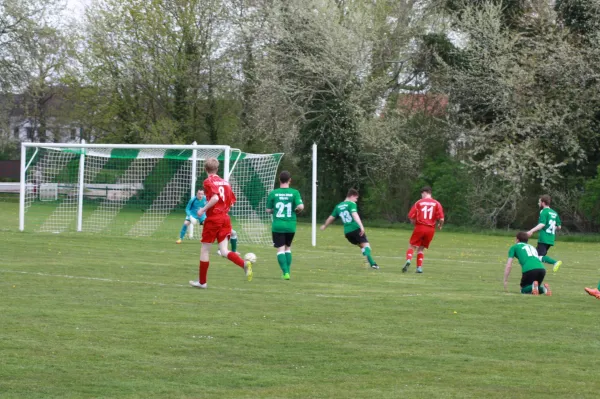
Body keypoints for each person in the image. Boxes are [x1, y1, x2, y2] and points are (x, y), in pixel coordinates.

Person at [189, 157, 253, 289]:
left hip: (214, 219)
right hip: (225, 218)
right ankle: (244, 264)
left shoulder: (208, 181)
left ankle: (202, 282)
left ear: (205, 169)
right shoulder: (226, 183)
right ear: (217, 168)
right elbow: (232, 201)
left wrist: (203, 209)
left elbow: (215, 197)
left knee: (205, 249)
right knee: (224, 251)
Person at [320, 188, 379, 270]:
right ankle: (372, 263)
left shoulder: (338, 206)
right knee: (367, 247)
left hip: (347, 233)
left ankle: (371, 263)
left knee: (362, 246)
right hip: (355, 229)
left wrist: (324, 226)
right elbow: (354, 215)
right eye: (356, 198)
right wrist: (361, 226)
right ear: (352, 196)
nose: (356, 201)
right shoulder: (351, 204)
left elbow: (331, 218)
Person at [266, 171, 304, 280]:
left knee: (280, 249)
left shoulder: (273, 193)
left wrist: (275, 210)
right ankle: (287, 272)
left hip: (278, 226)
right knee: (288, 248)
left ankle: (286, 272)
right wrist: (296, 210)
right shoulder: (294, 192)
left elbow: (268, 210)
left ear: (279, 180)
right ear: (290, 180)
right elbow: (301, 206)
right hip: (291, 226)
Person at [403, 186, 444, 274]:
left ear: (424, 193)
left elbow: (411, 216)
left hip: (420, 227)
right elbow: (441, 219)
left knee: (412, 246)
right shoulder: (437, 203)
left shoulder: (419, 202)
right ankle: (419, 268)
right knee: (421, 249)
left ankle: (408, 260)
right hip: (431, 229)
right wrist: (440, 225)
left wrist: (414, 223)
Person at [526, 195, 563, 272]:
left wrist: (531, 231)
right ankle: (535, 271)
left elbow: (542, 224)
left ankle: (555, 262)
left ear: (543, 203)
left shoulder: (543, 212)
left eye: (539, 202)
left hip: (544, 238)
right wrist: (551, 227)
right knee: (535, 255)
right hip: (551, 238)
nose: (538, 203)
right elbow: (559, 227)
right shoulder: (554, 213)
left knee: (539, 256)